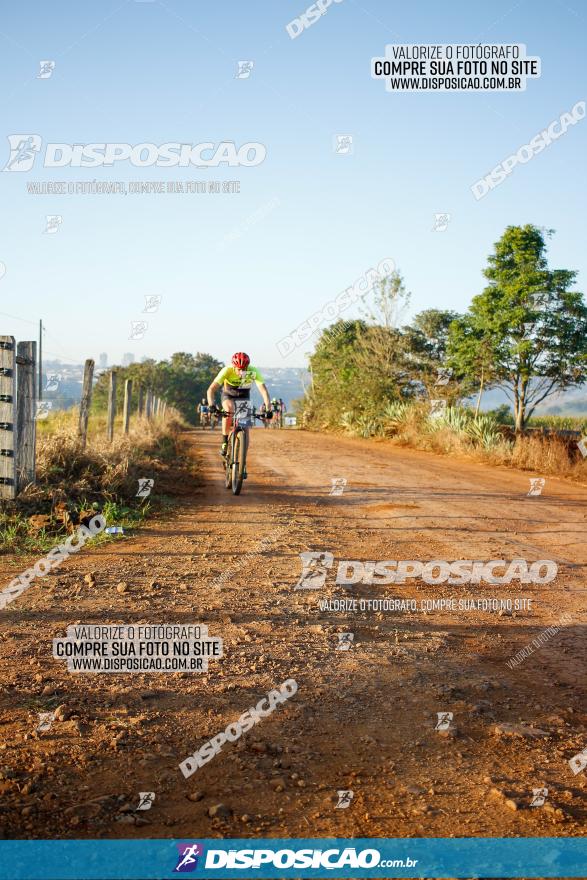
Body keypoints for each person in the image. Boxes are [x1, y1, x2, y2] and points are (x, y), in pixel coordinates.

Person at [207, 352, 272, 458]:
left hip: (243, 395)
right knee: (228, 409)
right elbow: (211, 390)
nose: (241, 372)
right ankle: (224, 442)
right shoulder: (227, 370)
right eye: (238, 369)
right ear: (234, 366)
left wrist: (268, 409)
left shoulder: (253, 371)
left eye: (244, 369)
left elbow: (264, 391)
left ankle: (243, 460)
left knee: (245, 429)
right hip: (228, 394)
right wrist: (212, 406)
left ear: (247, 366)